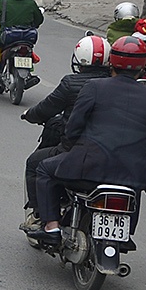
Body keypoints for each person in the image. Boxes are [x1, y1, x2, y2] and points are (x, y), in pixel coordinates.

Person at [27, 36, 146, 245]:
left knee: (44, 169)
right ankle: (125, 234)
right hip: (133, 173)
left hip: (89, 167)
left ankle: (51, 227)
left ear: (112, 63)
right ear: (144, 66)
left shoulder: (94, 87)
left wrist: (73, 148)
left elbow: (73, 128)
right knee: (131, 190)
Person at [20, 34, 111, 222]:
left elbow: (46, 109)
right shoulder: (116, 85)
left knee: (34, 164)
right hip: (111, 153)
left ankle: (40, 215)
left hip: (76, 150)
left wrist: (29, 115)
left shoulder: (71, 83)